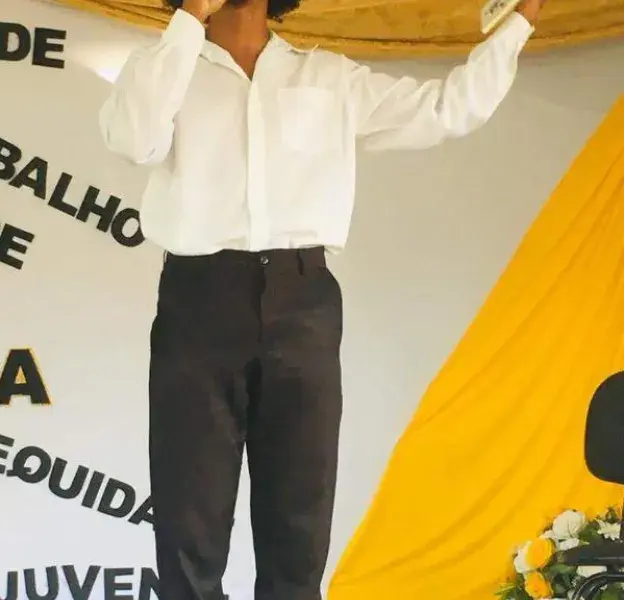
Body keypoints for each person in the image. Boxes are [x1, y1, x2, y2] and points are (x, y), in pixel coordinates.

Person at [98, 0, 545, 596]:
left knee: (298, 525)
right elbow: (132, 138)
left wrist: (519, 22)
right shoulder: (164, 66)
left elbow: (448, 108)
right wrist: (188, 20)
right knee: (189, 524)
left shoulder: (327, 76)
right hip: (199, 300)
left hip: (302, 302)